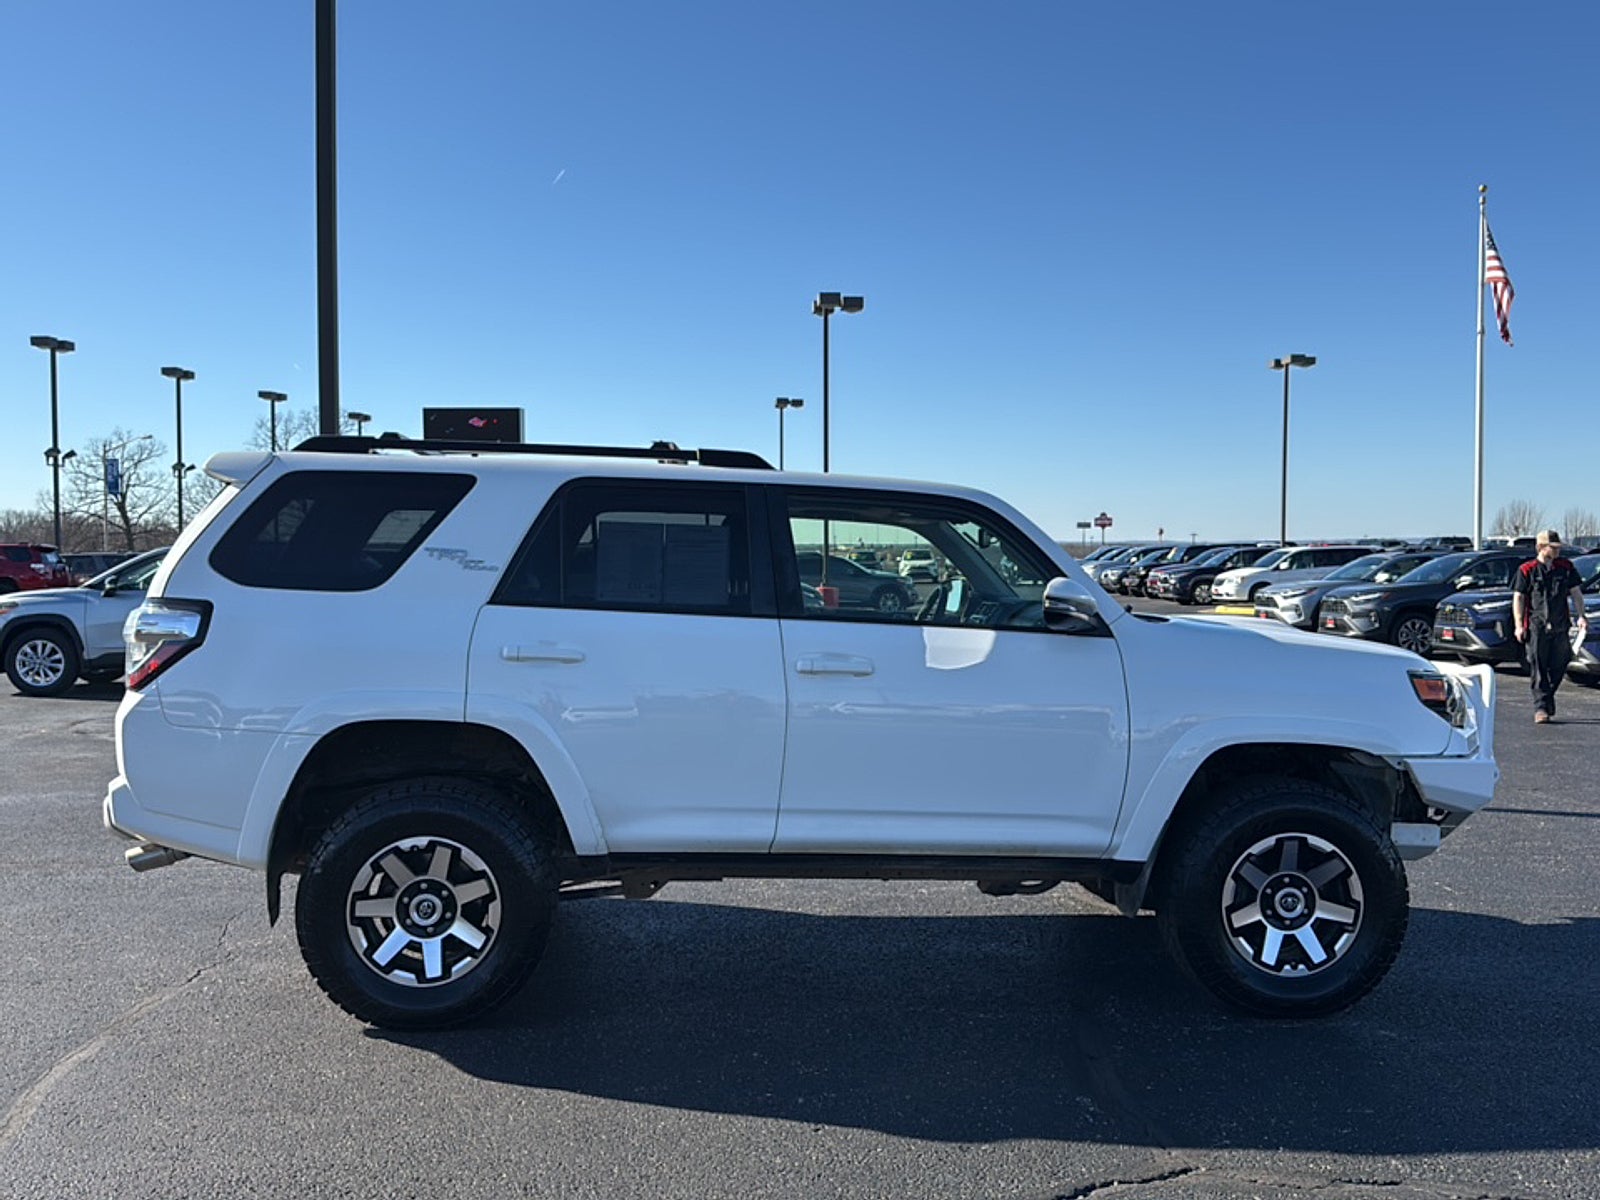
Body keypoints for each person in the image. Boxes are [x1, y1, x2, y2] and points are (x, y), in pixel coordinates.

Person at [1512, 529, 1588, 724]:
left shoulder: (1566, 567)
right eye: (1552, 548)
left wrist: (1581, 616)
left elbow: (1576, 593)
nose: (1556, 551)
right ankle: (1541, 708)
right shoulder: (1527, 570)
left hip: (1560, 625)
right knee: (1538, 666)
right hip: (1536, 625)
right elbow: (1519, 598)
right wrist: (1519, 625)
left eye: (1558, 547)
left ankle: (1547, 697)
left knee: (1560, 662)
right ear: (1540, 547)